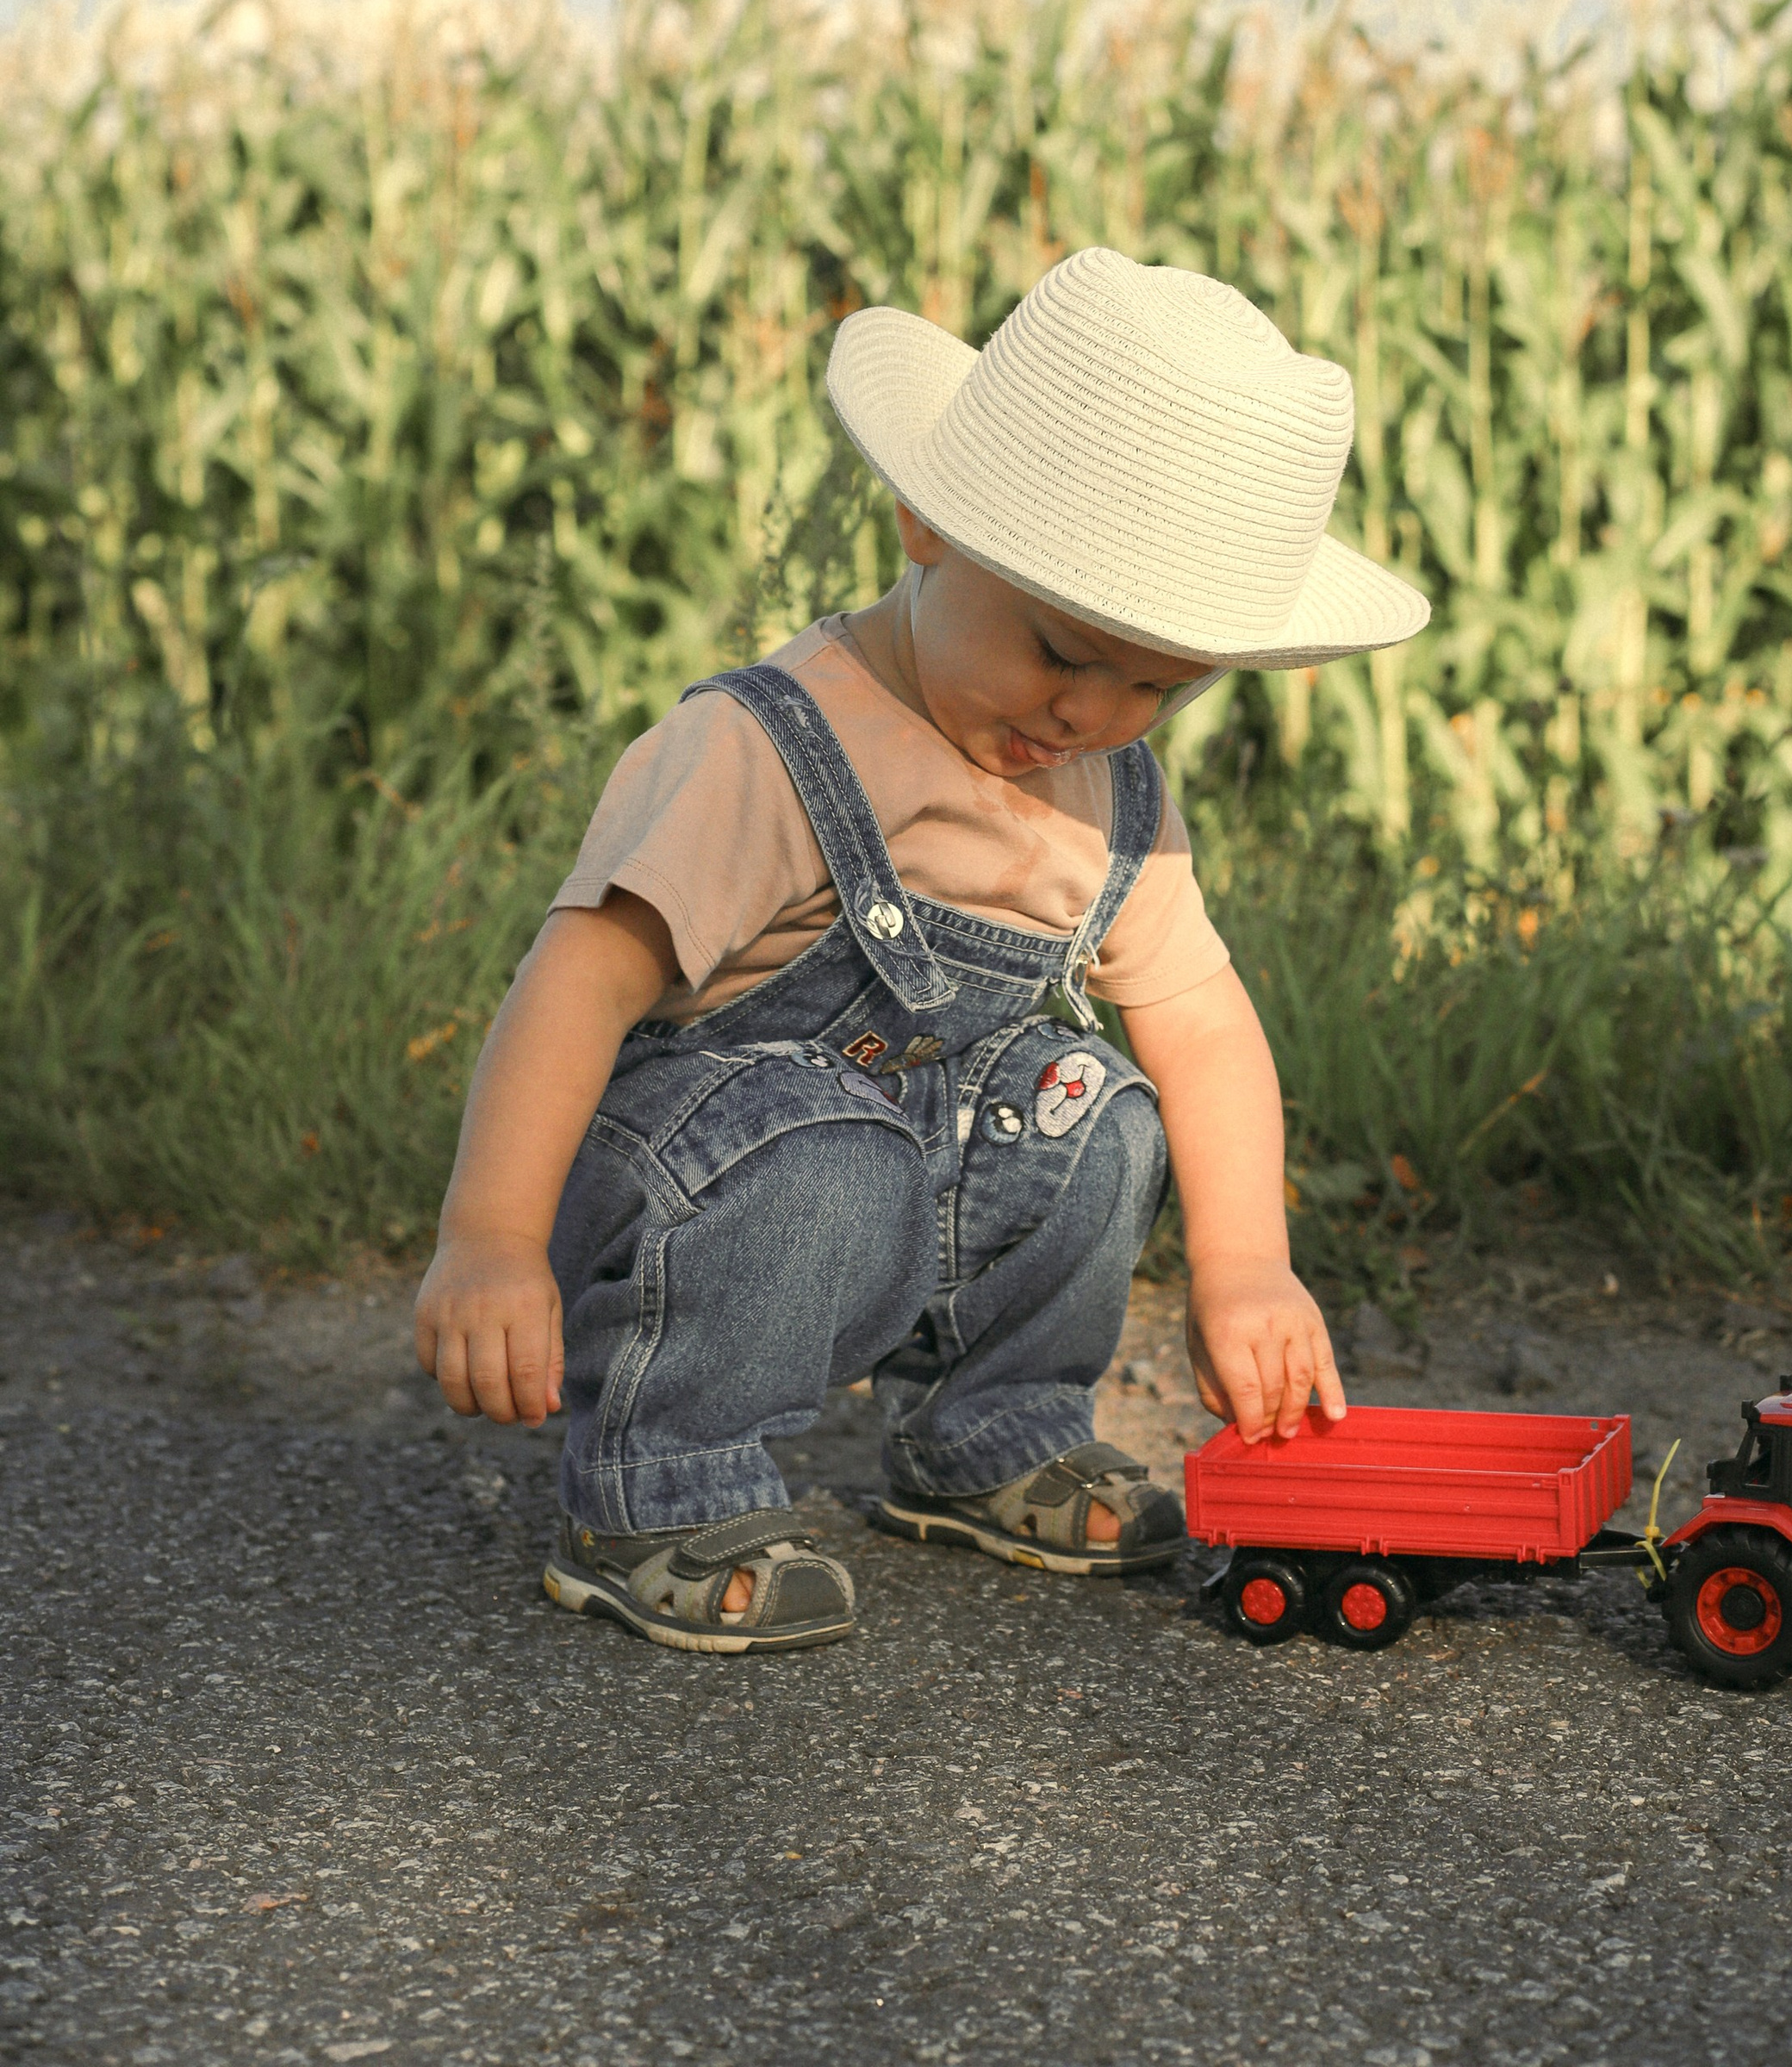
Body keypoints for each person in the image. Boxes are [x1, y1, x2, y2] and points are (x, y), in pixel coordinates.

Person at [413, 247, 1428, 1653]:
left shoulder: (1112, 796)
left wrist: (1247, 1265)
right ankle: (659, 1485)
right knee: (827, 1144)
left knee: (1097, 1108)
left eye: (1157, 686)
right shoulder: (767, 745)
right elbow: (581, 974)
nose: (1092, 713)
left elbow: (1198, 1011)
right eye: (1064, 650)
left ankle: (989, 1434)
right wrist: (489, 1239)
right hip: (711, 1198)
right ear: (927, 525)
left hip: (915, 1183)